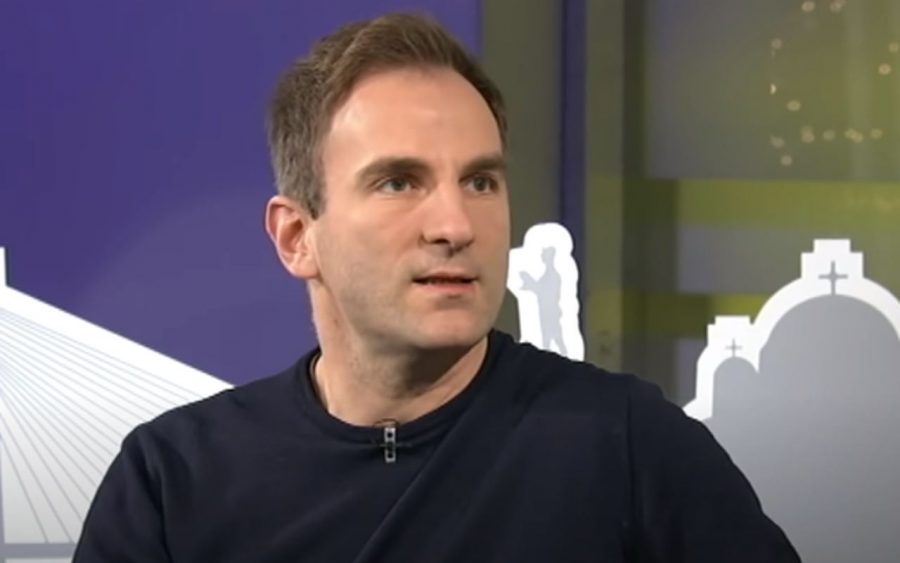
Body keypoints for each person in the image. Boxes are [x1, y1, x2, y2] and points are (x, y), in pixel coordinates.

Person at [74, 13, 799, 562]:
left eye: (480, 181)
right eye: (399, 182)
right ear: (297, 237)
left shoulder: (629, 447)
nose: (455, 224)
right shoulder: (173, 481)